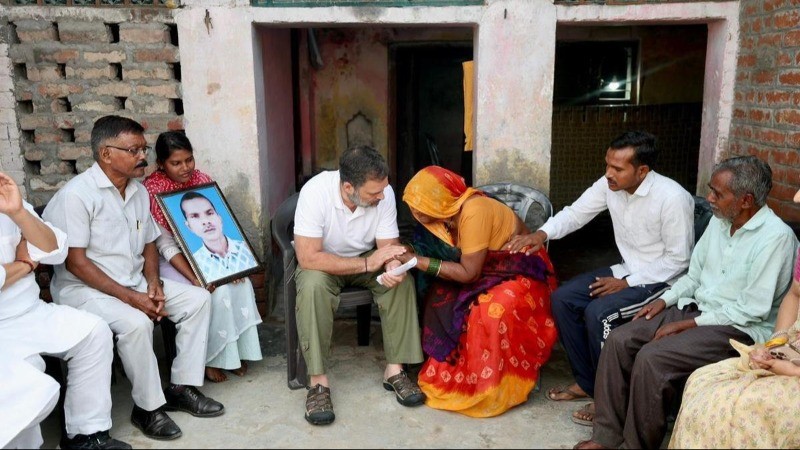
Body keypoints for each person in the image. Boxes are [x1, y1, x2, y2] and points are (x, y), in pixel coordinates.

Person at [574, 155, 799, 450]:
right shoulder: (722, 222)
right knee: (620, 339)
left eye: (718, 194)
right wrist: (665, 301)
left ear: (745, 200)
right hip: (696, 308)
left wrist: (688, 324)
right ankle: (606, 435)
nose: (710, 199)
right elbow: (693, 276)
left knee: (653, 358)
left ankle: (635, 445)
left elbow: (751, 309)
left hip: (738, 327)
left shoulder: (776, 238)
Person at [42, 115, 224, 442]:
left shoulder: (138, 192)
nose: (143, 156)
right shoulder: (77, 196)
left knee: (198, 299)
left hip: (133, 282)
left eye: (143, 148)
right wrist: (133, 299)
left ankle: (182, 386)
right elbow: (77, 264)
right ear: (106, 154)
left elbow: (150, 242)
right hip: (85, 290)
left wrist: (152, 283)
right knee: (137, 324)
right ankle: (148, 408)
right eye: (133, 149)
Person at [505, 130, 694, 425]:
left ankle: (608, 400)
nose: (608, 173)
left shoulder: (673, 198)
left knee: (598, 314)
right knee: (563, 299)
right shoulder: (610, 186)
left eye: (617, 168)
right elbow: (576, 213)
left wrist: (628, 283)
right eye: (607, 164)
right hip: (626, 269)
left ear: (642, 171)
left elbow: (679, 259)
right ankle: (587, 382)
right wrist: (541, 234)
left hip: (661, 281)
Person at [399, 165, 559, 417]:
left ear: (442, 201)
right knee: (442, 299)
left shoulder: (474, 211)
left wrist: (416, 261)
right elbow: (429, 247)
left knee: (489, 312)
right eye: (412, 205)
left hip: (517, 267)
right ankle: (458, 375)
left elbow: (468, 273)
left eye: (423, 204)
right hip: (481, 268)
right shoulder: (437, 217)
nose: (415, 212)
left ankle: (491, 386)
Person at [293, 145, 424, 425]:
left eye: (383, 190)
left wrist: (392, 265)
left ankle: (395, 370)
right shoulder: (315, 193)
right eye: (373, 193)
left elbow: (387, 247)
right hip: (322, 262)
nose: (381, 196)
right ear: (349, 187)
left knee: (401, 283)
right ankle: (318, 383)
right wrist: (368, 264)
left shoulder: (383, 193)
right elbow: (307, 257)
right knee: (313, 287)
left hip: (368, 257)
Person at [0, 171, 129, 450]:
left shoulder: (7, 202)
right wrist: (25, 265)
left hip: (32, 311)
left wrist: (19, 213)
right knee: (29, 376)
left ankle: (86, 434)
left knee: (94, 333)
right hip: (2, 329)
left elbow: (55, 249)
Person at [668, 186, 800, 449]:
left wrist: (791, 368)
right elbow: (795, 296)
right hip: (791, 347)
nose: (796, 199)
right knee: (703, 382)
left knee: (747, 411)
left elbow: (751, 309)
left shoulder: (775, 236)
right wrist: (775, 345)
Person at [143, 131, 262, 383]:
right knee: (212, 291)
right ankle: (210, 360)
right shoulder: (152, 190)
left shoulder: (202, 180)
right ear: (161, 164)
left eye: (189, 160)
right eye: (176, 163)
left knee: (240, 284)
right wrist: (199, 276)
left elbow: (223, 225)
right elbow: (164, 245)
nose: (185, 168)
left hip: (207, 251)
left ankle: (233, 355)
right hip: (171, 259)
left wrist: (230, 268)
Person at [179, 191, 258, 282]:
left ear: (219, 218)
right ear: (189, 226)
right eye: (195, 216)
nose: (205, 221)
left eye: (209, 213)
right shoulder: (195, 263)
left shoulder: (246, 249)